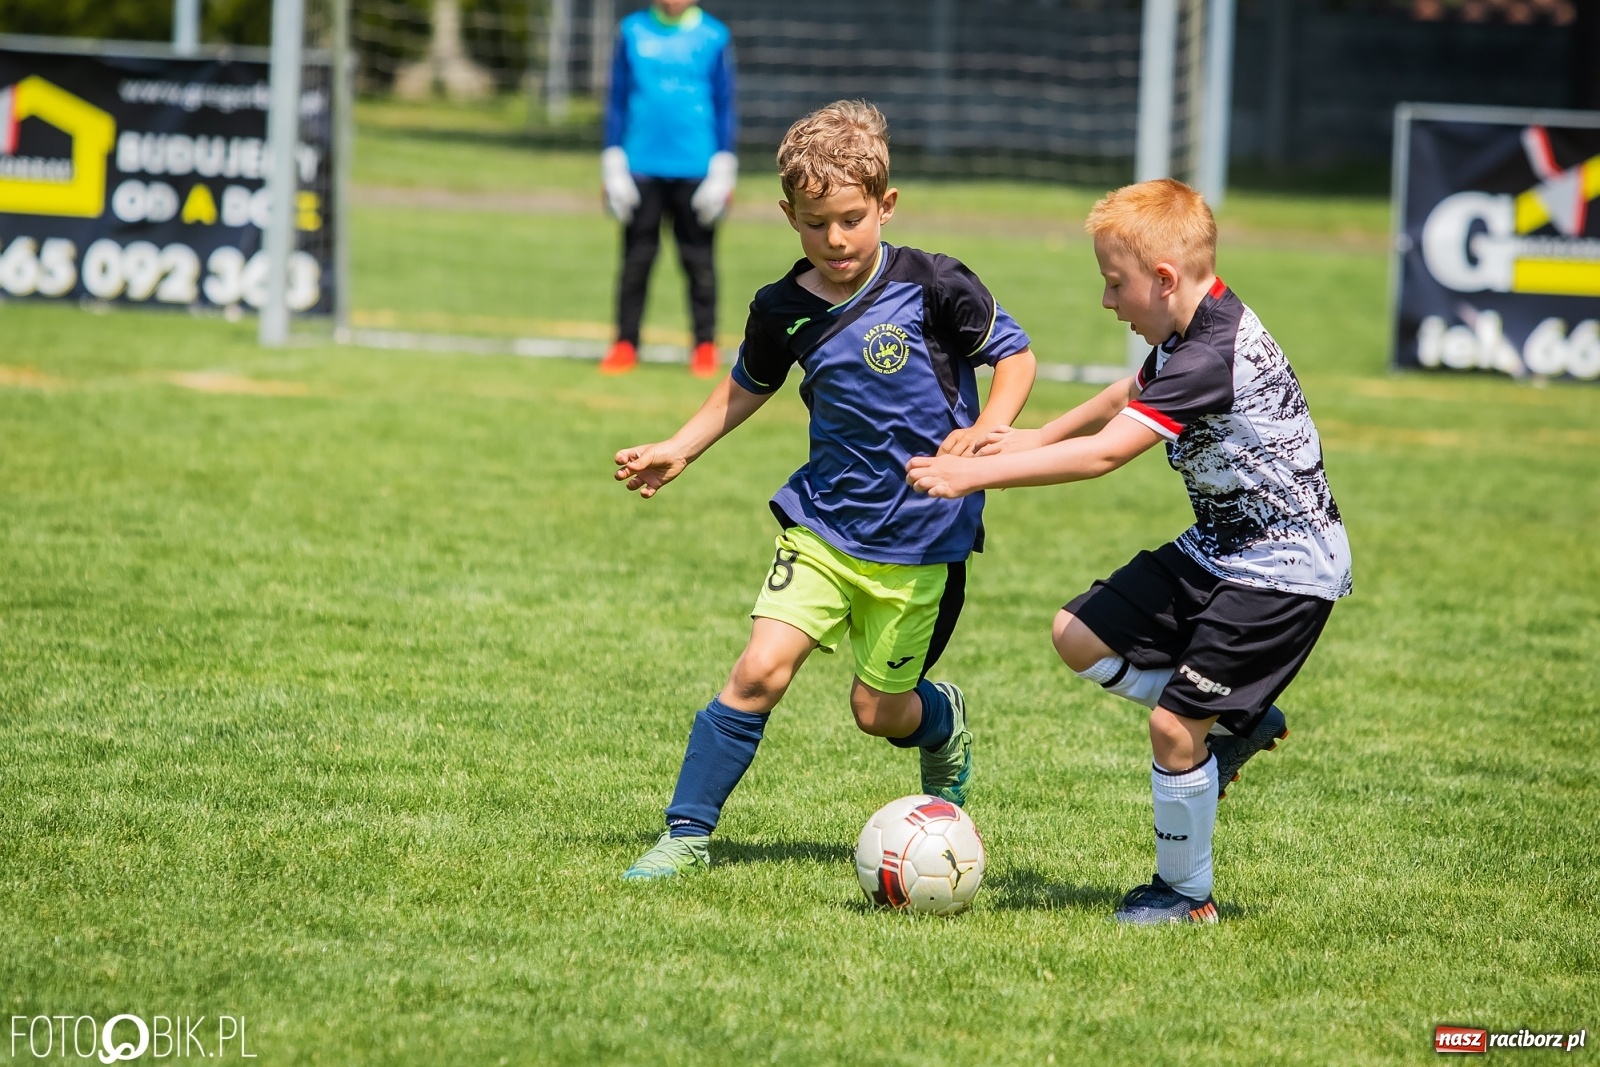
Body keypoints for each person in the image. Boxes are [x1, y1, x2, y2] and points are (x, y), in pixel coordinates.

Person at [905, 178, 1352, 924]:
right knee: (1077, 633)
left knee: (1173, 728)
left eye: (1116, 284)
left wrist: (970, 473)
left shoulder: (1212, 355)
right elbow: (1125, 392)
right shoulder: (1192, 326)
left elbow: (1105, 456)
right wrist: (1034, 435)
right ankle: (1236, 721)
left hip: (1282, 571)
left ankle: (1185, 894)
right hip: (1221, 548)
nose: (1109, 301)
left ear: (1165, 279)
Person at [613, 100, 1038, 880]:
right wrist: (679, 447)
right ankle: (685, 833)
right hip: (824, 526)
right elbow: (745, 386)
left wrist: (990, 431)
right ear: (788, 215)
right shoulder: (783, 309)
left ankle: (941, 721)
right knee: (757, 670)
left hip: (921, 541)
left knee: (876, 712)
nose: (835, 240)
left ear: (885, 204)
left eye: (850, 218)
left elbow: (1014, 357)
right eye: (815, 224)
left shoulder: (936, 283)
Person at [598, 0, 738, 379]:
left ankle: (705, 345)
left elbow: (725, 103)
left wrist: (725, 165)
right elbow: (617, 98)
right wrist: (612, 160)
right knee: (636, 261)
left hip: (697, 166)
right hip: (640, 165)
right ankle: (625, 343)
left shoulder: (713, 35)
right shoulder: (632, 31)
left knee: (699, 262)